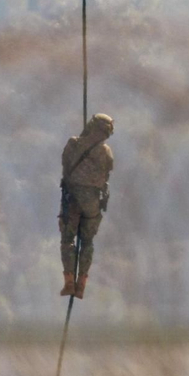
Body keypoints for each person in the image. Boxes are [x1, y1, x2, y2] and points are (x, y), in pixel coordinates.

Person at [58, 113, 114, 299]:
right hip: (92, 203)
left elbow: (65, 168)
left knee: (68, 240)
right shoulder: (106, 152)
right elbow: (106, 176)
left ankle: (69, 283)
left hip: (72, 200)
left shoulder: (73, 144)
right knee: (87, 242)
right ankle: (81, 285)